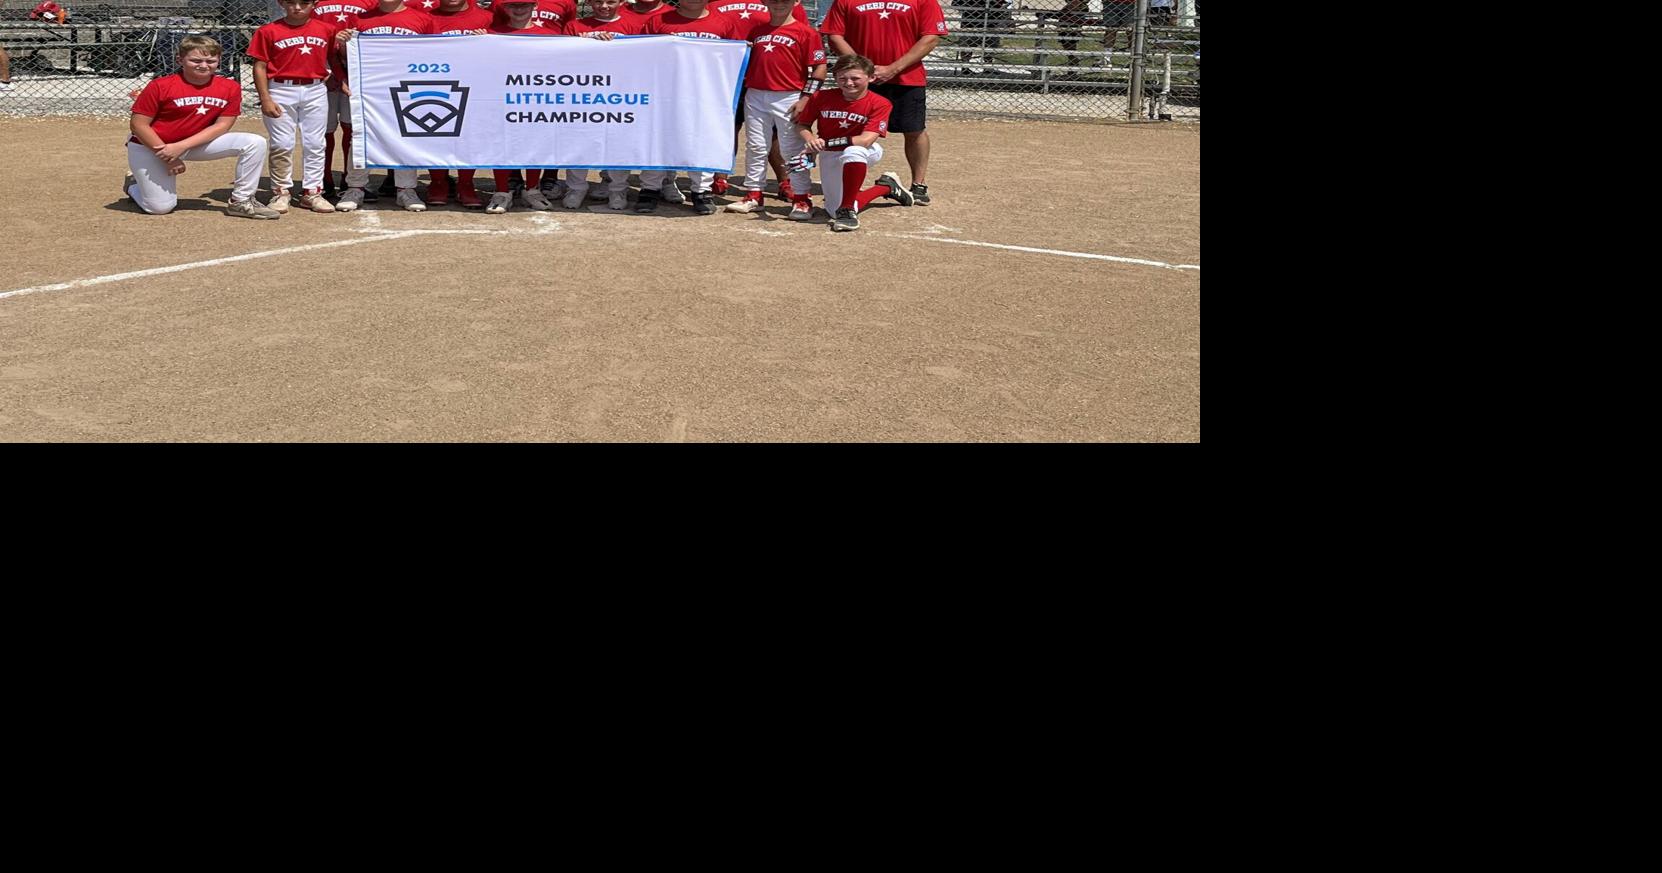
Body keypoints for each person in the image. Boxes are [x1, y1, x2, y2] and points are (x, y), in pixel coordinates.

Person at [123, 35, 280, 219]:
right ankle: (134, 185)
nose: (204, 65)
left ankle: (241, 201)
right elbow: (138, 125)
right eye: (195, 60)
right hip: (151, 146)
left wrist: (181, 147)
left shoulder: (230, 87)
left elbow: (222, 125)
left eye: (210, 61)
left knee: (255, 142)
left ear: (219, 61)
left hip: (191, 144)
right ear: (180, 60)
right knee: (159, 207)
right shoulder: (160, 85)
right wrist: (169, 157)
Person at [819, 0, 944, 205]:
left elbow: (930, 38)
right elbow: (834, 34)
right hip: (859, 80)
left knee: (914, 130)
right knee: (850, 129)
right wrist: (862, 69)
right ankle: (848, 184)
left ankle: (918, 184)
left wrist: (893, 68)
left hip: (906, 77)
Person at [640, 0, 744, 214]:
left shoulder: (723, 23)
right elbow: (642, 52)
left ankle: (701, 191)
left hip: (705, 94)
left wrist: (742, 50)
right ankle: (650, 189)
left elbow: (734, 58)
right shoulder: (658, 21)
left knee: (702, 140)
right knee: (658, 138)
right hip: (665, 92)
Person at [723, 0, 824, 220]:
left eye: (785, 0)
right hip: (755, 93)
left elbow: (820, 67)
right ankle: (753, 194)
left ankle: (802, 197)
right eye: (773, 0)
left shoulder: (806, 32)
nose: (779, 4)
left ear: (796, 2)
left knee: (792, 149)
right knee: (757, 146)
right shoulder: (757, 31)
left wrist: (806, 98)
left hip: (789, 95)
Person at [332, 0, 435, 212]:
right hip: (371, 88)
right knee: (361, 136)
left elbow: (433, 53)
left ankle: (405, 189)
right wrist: (343, 44)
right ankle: (356, 187)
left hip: (408, 86)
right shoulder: (360, 18)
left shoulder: (422, 19)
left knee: (406, 136)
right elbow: (346, 57)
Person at [791, 53, 911, 231]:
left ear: (871, 77)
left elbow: (866, 139)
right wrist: (811, 142)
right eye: (842, 78)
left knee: (852, 152)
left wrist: (825, 144)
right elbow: (802, 125)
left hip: (865, 150)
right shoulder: (821, 97)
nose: (848, 83)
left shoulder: (880, 103)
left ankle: (846, 210)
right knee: (832, 210)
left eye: (855, 78)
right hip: (830, 152)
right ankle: (886, 187)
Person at [250, 0, 338, 213]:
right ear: (281, 3)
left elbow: (334, 57)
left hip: (315, 88)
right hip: (281, 88)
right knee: (282, 143)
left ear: (314, 3)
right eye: (291, 2)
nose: (297, 7)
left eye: (304, 2)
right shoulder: (268, 31)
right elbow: (259, 66)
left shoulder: (327, 29)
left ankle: (313, 191)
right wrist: (265, 98)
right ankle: (281, 191)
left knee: (315, 143)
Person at [564, 0, 647, 211]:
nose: (604, 6)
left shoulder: (635, 25)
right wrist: (581, 44)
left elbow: (642, 58)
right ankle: (576, 187)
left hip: (619, 93)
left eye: (610, 1)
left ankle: (617, 189)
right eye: (598, 1)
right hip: (581, 93)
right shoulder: (575, 26)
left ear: (621, 2)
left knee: (618, 141)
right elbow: (562, 58)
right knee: (577, 140)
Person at [422, 0, 493, 208]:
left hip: (475, 84)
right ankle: (438, 182)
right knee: (435, 133)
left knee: (469, 136)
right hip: (438, 83)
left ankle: (465, 183)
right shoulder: (427, 17)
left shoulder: (486, 17)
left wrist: (490, 41)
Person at [310, 2, 374, 197]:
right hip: (324, 72)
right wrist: (327, 72)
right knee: (324, 129)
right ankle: (324, 178)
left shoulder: (370, 4)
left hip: (356, 74)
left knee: (353, 128)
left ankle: (351, 179)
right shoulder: (316, 4)